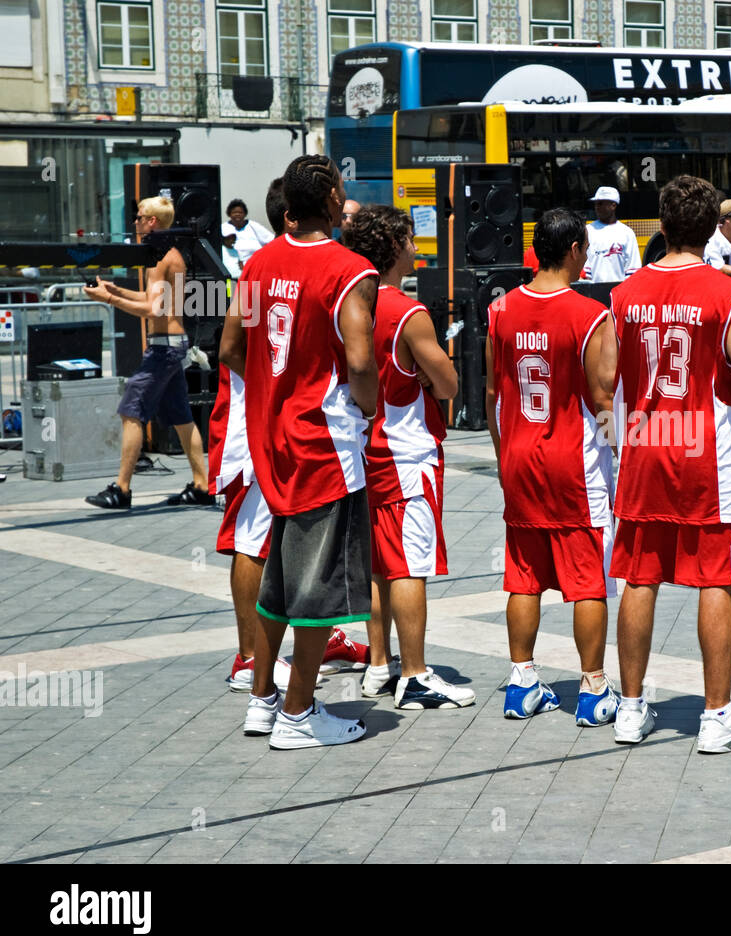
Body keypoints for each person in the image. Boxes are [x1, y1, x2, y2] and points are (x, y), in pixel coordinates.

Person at [607, 174, 731, 753]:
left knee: (639, 576)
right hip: (708, 453)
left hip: (645, 445)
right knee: (717, 578)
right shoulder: (728, 293)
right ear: (711, 229)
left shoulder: (624, 293)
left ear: (660, 222)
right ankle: (716, 716)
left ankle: (630, 709)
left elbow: (608, 377)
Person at [220, 154, 379, 750]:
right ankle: (298, 713)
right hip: (323, 443)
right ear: (333, 198)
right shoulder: (348, 268)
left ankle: (263, 701)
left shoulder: (258, 264)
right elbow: (361, 361)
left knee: (278, 586)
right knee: (320, 590)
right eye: (341, 188)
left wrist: (270, 388)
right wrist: (365, 406)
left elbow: (231, 344)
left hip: (270, 437)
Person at [485, 208, 620, 726]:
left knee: (523, 576)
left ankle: (521, 683)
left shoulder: (501, 311)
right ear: (573, 252)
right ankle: (592, 689)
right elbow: (602, 396)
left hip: (519, 457)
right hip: (573, 463)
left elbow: (494, 394)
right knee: (588, 580)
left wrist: (503, 457)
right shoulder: (590, 315)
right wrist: (621, 455)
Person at [339, 205, 476, 709]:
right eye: (411, 241)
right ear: (395, 246)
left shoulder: (351, 302)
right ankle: (415, 675)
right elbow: (449, 384)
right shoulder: (408, 312)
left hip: (365, 447)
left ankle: (379, 665)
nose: (417, 249)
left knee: (379, 564)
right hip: (406, 451)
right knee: (408, 567)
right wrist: (425, 373)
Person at [84, 196, 212, 510]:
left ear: (152, 221)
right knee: (182, 418)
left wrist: (108, 300)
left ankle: (122, 490)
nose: (135, 223)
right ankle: (201, 486)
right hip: (173, 346)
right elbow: (154, 299)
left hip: (163, 349)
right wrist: (114, 289)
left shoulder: (159, 259)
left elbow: (152, 308)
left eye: (140, 217)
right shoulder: (171, 255)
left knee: (131, 412)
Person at [581, 186, 641, 283]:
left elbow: (633, 268)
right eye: (595, 204)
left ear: (613, 205)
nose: (597, 207)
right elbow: (584, 267)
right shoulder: (587, 231)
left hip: (619, 292)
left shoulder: (627, 233)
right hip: (593, 291)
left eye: (600, 203)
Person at [226, 198, 274, 264]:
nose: (237, 214)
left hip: (255, 265)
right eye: (234, 212)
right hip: (232, 267)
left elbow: (272, 240)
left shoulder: (253, 226)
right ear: (229, 214)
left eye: (240, 212)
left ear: (245, 214)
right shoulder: (224, 228)